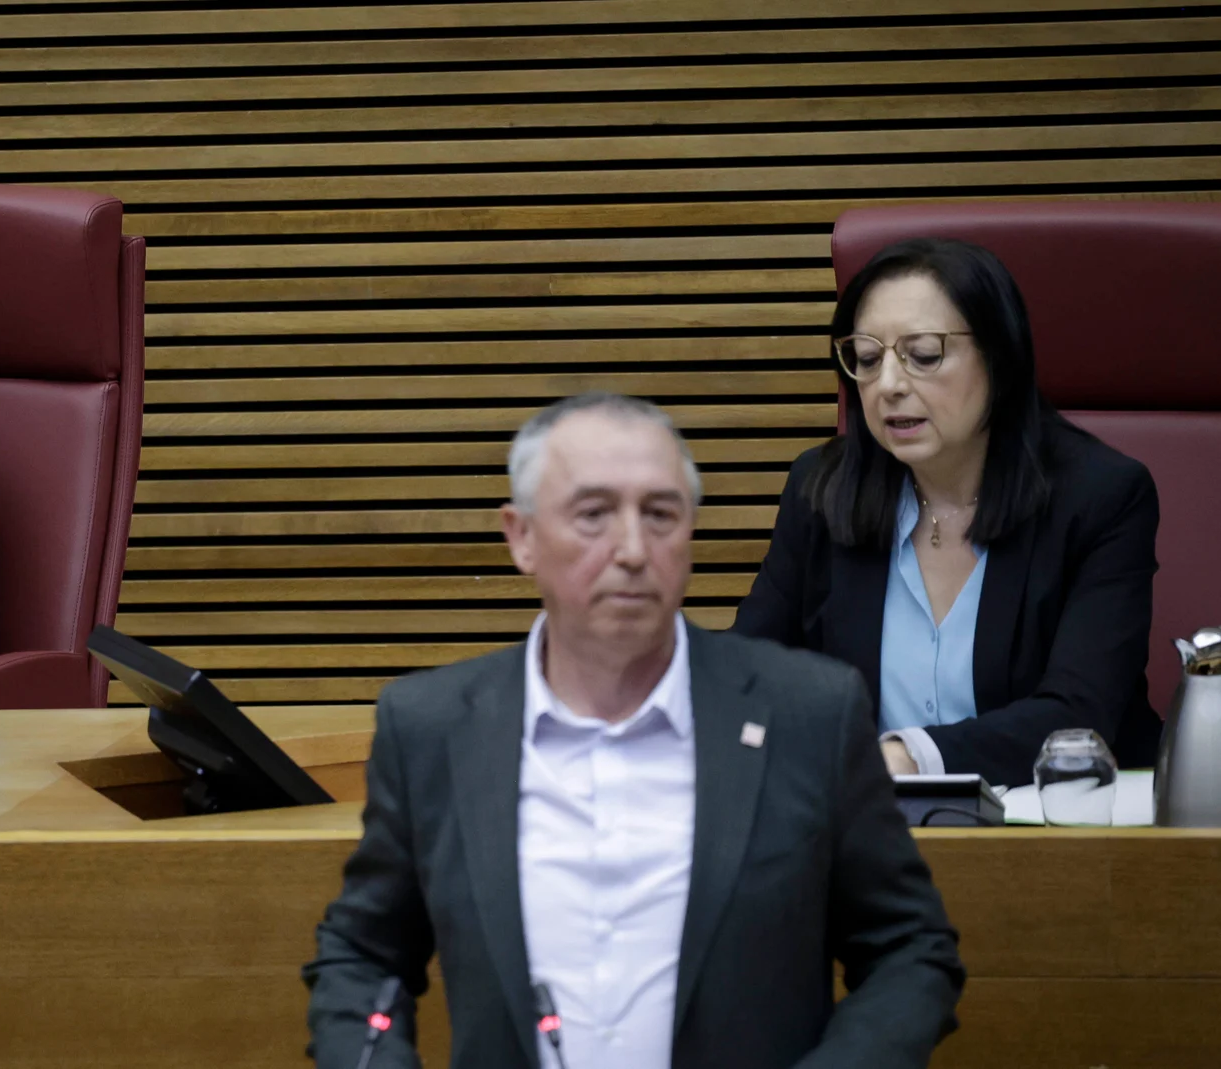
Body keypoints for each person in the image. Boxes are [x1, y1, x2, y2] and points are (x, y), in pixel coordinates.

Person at [304, 393, 963, 1069]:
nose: (631, 549)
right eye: (593, 515)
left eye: (660, 514)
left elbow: (910, 950)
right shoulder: (433, 728)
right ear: (521, 536)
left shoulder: (808, 714)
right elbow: (365, 957)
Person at [732, 238, 1159, 787]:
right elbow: (745, 676)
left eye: (924, 355)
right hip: (868, 839)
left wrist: (904, 759)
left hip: (1067, 838)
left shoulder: (1101, 497)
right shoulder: (821, 489)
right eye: (866, 358)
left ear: (998, 357)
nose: (888, 385)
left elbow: (1077, 719)